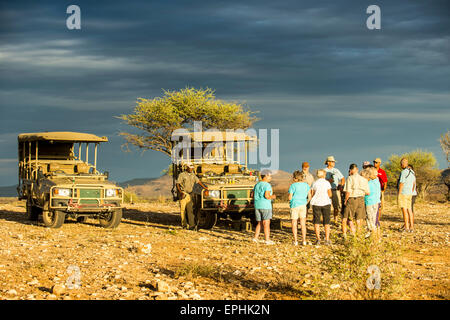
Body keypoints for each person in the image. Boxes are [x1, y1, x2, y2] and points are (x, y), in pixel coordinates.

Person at [176, 164, 208, 230]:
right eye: (190, 168)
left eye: (192, 168)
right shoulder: (182, 175)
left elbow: (199, 182)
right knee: (183, 210)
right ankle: (184, 225)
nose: (191, 169)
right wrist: (180, 192)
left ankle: (191, 225)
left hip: (190, 194)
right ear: (187, 168)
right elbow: (177, 184)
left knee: (190, 210)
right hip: (184, 194)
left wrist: (205, 188)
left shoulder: (193, 175)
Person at [343, 164, 370, 237]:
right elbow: (368, 192)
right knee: (359, 218)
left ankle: (353, 233)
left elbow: (348, 191)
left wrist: (345, 200)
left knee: (350, 217)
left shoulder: (350, 178)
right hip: (361, 199)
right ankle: (359, 233)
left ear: (351, 170)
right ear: (357, 169)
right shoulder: (364, 179)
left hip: (352, 198)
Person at [252, 170, 276, 245]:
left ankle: (255, 238)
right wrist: (273, 196)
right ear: (265, 176)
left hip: (257, 205)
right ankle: (267, 240)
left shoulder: (257, 184)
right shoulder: (267, 185)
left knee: (260, 223)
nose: (270, 177)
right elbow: (267, 196)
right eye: (269, 176)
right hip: (265, 206)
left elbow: (252, 195)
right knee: (266, 223)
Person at [288, 171, 311, 246]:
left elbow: (290, 197)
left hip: (294, 205)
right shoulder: (306, 185)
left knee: (294, 223)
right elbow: (309, 196)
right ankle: (304, 240)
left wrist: (290, 201)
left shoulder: (293, 186)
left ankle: (295, 241)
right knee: (303, 223)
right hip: (303, 205)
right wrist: (306, 202)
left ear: (295, 178)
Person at [310, 169, 332, 245]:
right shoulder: (327, 183)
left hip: (316, 203)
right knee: (327, 222)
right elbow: (330, 194)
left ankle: (318, 239)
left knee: (316, 221)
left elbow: (312, 193)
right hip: (326, 203)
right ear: (324, 175)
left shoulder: (314, 183)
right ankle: (327, 239)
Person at [324, 156, 345, 224]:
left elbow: (342, 178)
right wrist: (327, 181)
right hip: (326, 191)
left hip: (335, 190)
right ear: (328, 162)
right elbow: (321, 180)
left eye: (334, 162)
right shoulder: (323, 171)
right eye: (332, 162)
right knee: (326, 206)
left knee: (336, 206)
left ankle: (335, 220)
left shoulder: (336, 170)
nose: (334, 163)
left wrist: (341, 185)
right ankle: (327, 220)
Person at [361, 167, 381, 238]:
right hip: (376, 201)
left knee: (370, 218)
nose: (376, 176)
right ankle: (372, 232)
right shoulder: (376, 180)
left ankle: (374, 234)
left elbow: (367, 192)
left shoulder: (369, 182)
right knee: (373, 218)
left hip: (370, 202)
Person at [398, 158, 415, 232]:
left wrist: (399, 193)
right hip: (410, 193)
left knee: (404, 210)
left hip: (404, 193)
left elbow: (401, 183)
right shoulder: (412, 172)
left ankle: (406, 227)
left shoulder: (404, 172)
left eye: (401, 164)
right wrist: (411, 191)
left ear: (403, 164)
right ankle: (412, 227)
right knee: (410, 210)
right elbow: (414, 183)